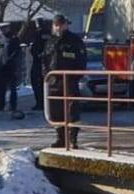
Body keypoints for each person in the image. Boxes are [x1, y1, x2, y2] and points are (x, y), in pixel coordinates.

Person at [43, 14, 87, 148]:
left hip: (70, 80)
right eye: (56, 25)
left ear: (66, 25)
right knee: (55, 110)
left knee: (72, 109)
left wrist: (76, 76)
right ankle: (61, 138)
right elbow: (45, 60)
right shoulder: (50, 41)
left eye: (61, 25)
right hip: (54, 80)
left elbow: (82, 60)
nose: (58, 27)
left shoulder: (74, 40)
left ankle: (73, 139)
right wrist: (46, 75)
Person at [2, 22, 27, 119]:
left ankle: (13, 105)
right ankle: (2, 104)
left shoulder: (14, 38)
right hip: (3, 66)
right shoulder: (0, 38)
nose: (4, 30)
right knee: (2, 87)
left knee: (12, 88)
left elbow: (17, 52)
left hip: (12, 66)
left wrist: (12, 62)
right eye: (3, 29)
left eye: (5, 28)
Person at [30, 18, 50, 111]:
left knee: (37, 83)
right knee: (45, 84)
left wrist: (37, 54)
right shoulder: (49, 33)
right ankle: (47, 103)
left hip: (39, 62)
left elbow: (34, 48)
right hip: (48, 62)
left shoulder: (38, 34)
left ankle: (40, 103)